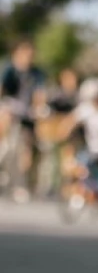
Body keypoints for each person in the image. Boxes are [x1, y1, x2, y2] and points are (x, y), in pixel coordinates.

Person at [0, 39, 46, 201]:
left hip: (27, 111)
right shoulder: (8, 69)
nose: (28, 57)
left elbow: (40, 95)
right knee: (5, 116)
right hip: (8, 107)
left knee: (28, 146)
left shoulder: (36, 73)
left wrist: (40, 109)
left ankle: (20, 184)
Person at [59, 78, 98, 191]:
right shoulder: (86, 109)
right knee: (74, 163)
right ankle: (79, 189)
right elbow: (70, 121)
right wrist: (65, 132)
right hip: (90, 149)